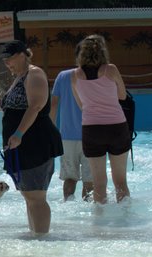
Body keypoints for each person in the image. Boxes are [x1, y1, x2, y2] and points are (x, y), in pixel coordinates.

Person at [0, 40, 63, 235]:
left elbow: (36, 105)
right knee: (29, 195)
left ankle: (42, 239)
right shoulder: (19, 76)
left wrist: (18, 133)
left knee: (36, 196)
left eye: (9, 58)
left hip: (35, 142)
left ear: (21, 54)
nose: (6, 63)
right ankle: (35, 235)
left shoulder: (34, 73)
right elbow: (18, 106)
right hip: (22, 144)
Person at [71, 34, 130, 204]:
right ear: (103, 51)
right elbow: (122, 95)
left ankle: (99, 223)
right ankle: (125, 219)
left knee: (98, 183)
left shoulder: (75, 75)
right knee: (120, 182)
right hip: (116, 127)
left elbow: (81, 104)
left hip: (92, 128)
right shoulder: (111, 70)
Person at [50, 44, 93, 201]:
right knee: (90, 181)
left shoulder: (63, 76)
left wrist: (51, 131)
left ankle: (69, 211)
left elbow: (54, 104)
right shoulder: (97, 76)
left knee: (69, 178)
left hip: (67, 137)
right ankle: (90, 217)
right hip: (91, 135)